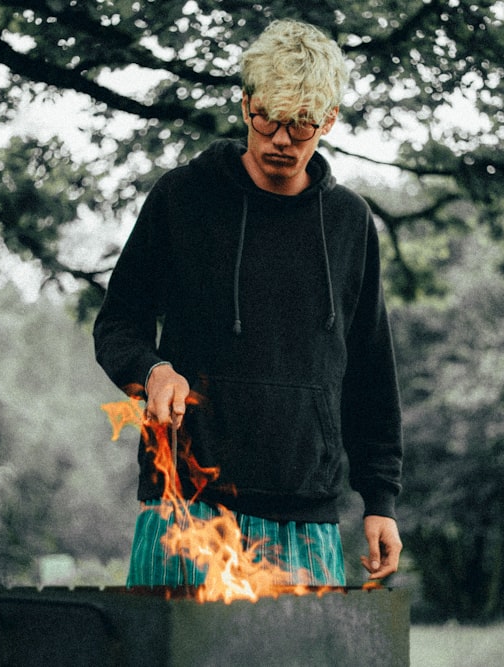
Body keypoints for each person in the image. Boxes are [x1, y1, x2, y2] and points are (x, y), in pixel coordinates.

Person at [93, 19, 402, 587]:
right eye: (269, 118)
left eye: (302, 122)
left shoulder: (349, 223)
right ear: (245, 106)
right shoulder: (182, 198)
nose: (282, 138)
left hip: (305, 513)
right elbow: (118, 324)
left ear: (329, 120)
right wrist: (154, 370)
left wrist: (379, 498)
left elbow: (370, 370)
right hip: (185, 506)